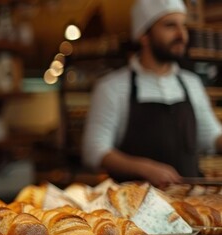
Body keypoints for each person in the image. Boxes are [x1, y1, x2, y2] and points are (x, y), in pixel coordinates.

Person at [82, 0, 222, 188]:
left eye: (183, 26)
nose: (181, 35)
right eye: (170, 26)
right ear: (144, 35)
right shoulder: (112, 87)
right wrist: (143, 168)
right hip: (132, 202)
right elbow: (93, 151)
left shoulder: (191, 83)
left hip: (187, 200)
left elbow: (211, 136)